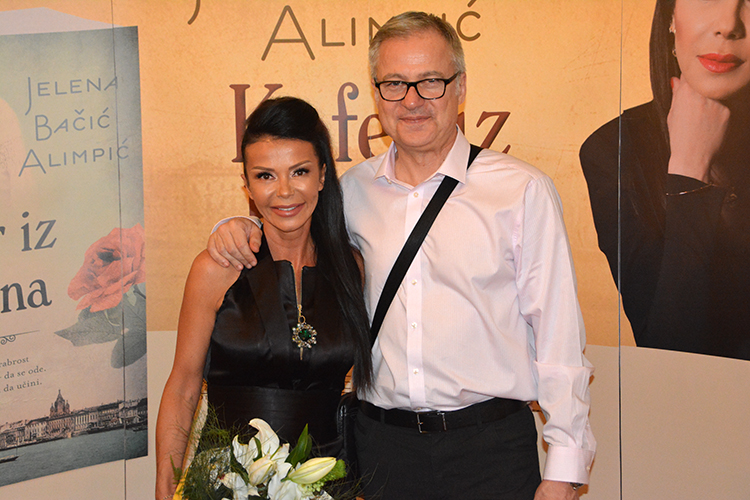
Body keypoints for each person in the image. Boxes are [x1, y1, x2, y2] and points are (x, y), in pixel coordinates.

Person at [209, 12, 595, 500]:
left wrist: (563, 471)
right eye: (394, 84)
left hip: (491, 451)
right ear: (377, 94)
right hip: (382, 452)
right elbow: (288, 222)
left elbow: (559, 339)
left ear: (460, 87)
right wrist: (235, 227)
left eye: (430, 81)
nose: (411, 101)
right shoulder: (352, 191)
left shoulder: (520, 191)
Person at [155, 97, 372, 500]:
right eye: (265, 176)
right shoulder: (216, 268)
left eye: (300, 172)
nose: (284, 192)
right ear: (248, 186)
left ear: (323, 176)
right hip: (225, 483)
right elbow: (184, 384)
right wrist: (167, 480)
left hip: (328, 483)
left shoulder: (352, 269)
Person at [580, 0, 750, 360]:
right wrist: (689, 170)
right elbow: (668, 355)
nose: (728, 24)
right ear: (671, 16)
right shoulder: (614, 149)